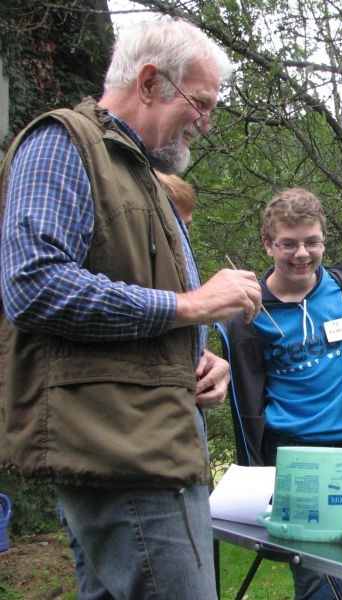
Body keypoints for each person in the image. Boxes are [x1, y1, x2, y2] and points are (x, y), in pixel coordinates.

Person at [0, 17, 264, 600]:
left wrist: (194, 362)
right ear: (149, 82)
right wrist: (191, 305)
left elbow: (146, 310)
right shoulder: (61, 144)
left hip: (144, 442)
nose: (205, 123)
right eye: (200, 103)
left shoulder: (139, 172)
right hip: (124, 452)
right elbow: (33, 285)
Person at [218, 187, 342, 600]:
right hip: (292, 456)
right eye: (288, 243)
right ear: (268, 244)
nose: (302, 254)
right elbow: (243, 391)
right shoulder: (247, 310)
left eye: (312, 242)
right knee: (316, 580)